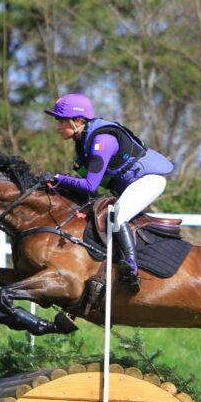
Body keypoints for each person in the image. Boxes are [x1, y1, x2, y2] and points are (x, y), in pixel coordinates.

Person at [45, 93, 174, 293]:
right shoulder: (83, 141)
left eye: (61, 121)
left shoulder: (103, 140)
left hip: (149, 180)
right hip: (129, 185)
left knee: (117, 216)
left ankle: (130, 269)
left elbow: (90, 186)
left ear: (78, 120)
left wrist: (59, 178)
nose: (57, 126)